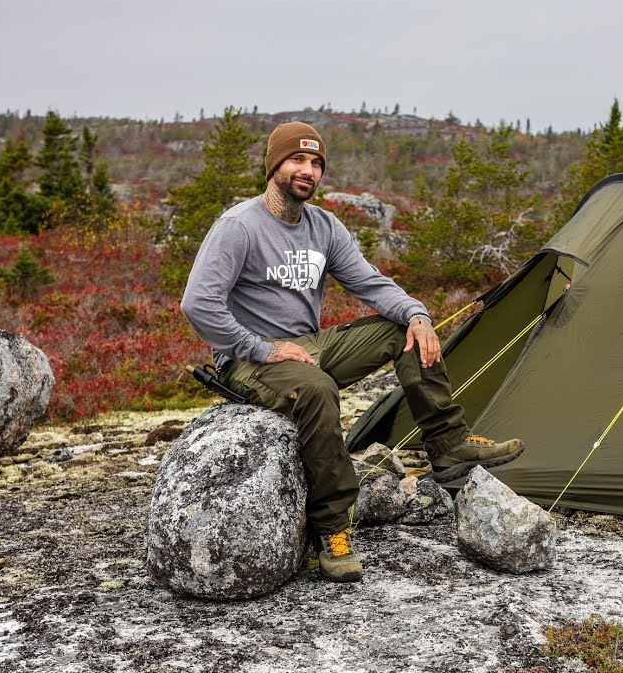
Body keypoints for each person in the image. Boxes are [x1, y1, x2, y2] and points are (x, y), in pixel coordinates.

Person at [180, 121, 523, 584]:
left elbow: (369, 283)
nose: (308, 170)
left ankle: (446, 443)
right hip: (249, 360)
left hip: (310, 346)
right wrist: (259, 348)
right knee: (318, 389)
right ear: (274, 165)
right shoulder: (239, 226)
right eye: (297, 160)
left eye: (316, 163)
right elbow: (198, 303)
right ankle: (333, 529)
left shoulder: (323, 226)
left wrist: (418, 314)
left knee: (401, 328)